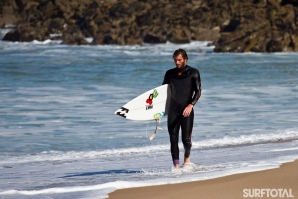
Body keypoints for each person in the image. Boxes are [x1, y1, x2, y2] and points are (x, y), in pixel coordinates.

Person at [162, 49, 201, 169]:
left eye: (179, 60)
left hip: (186, 110)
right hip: (173, 110)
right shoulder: (170, 73)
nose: (177, 62)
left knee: (186, 140)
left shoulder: (193, 72)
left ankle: (187, 161)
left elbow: (198, 92)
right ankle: (176, 167)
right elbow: (163, 93)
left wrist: (191, 105)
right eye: (175, 60)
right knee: (173, 140)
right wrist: (158, 112)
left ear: (185, 59)